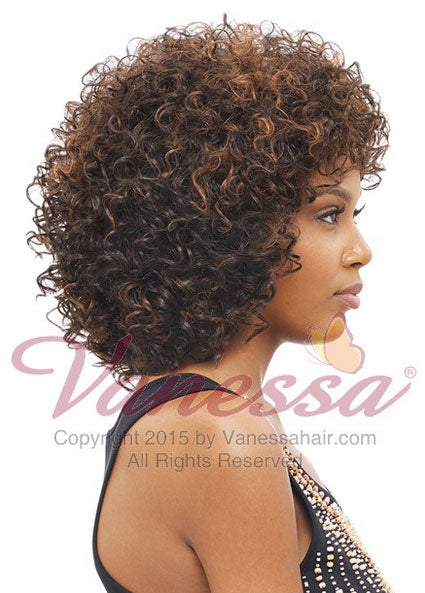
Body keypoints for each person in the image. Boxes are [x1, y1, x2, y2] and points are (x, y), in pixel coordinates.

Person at [26, 14, 393, 593]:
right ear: (231, 227)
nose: (361, 251)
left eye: (352, 214)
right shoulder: (219, 434)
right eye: (329, 214)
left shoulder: (206, 419)